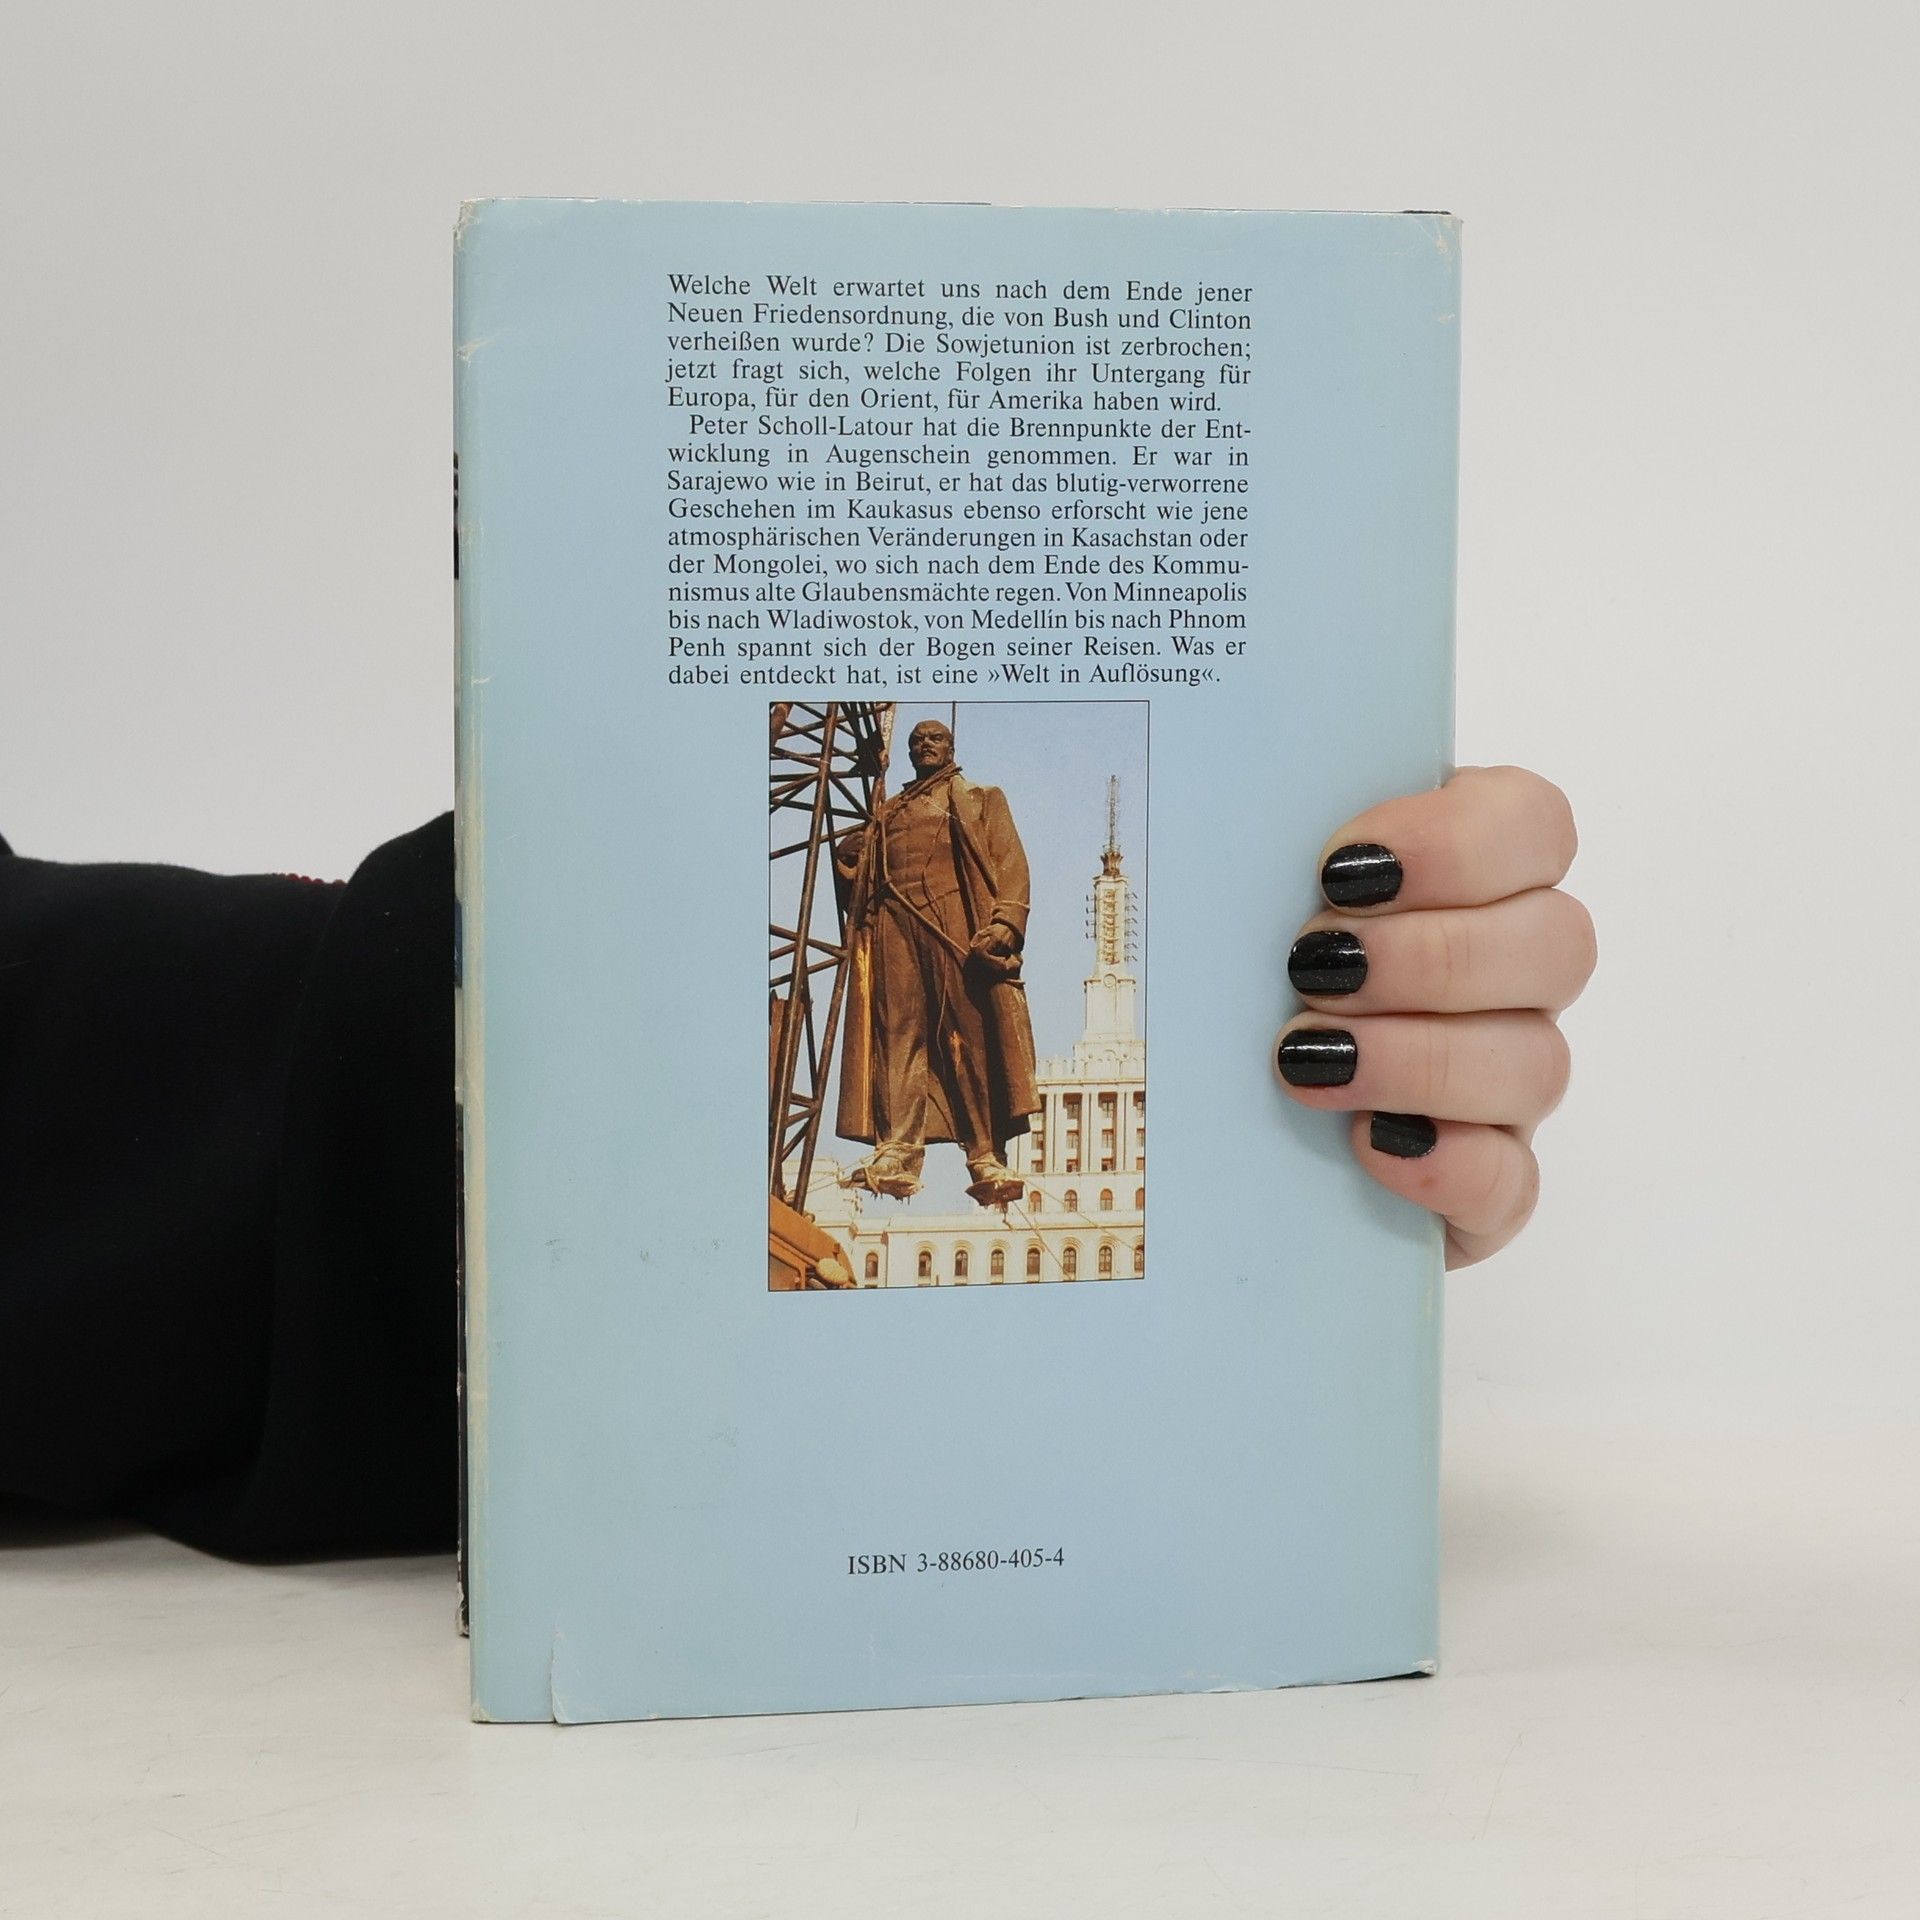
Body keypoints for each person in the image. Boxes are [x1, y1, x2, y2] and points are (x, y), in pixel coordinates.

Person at [0, 766, 1592, 1557]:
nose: (936, 745)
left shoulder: (975, 818)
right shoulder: (887, 824)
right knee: (911, 1080)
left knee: (972, 1070)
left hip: (956, 978)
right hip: (882, 987)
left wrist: (498, 1072)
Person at [832, 718, 1039, 1208]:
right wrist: (850, 856)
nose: (926, 744)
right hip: (895, 925)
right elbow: (859, 884)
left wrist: (1006, 924)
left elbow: (1012, 863)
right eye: (917, 740)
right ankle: (897, 1149)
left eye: (935, 738)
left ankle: (984, 1152)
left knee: (966, 1036)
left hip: (953, 921)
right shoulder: (887, 811)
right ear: (909, 752)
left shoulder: (980, 798)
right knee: (896, 1033)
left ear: (951, 746)